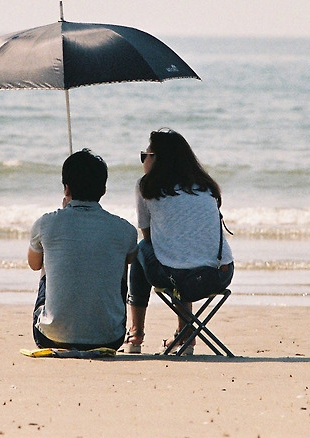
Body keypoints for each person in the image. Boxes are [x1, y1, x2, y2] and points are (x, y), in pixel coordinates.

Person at [125, 129, 233, 355]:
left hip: (179, 280)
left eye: (145, 155)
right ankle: (185, 335)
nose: (143, 160)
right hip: (219, 275)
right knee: (180, 256)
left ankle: (136, 335)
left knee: (142, 249)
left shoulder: (146, 186)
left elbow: (147, 235)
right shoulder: (206, 186)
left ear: (157, 158)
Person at [28, 149, 138, 351]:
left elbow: (34, 264)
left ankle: (62, 320)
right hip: (110, 338)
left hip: (50, 337)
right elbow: (131, 259)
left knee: (48, 255)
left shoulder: (46, 223)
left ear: (66, 189)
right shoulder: (125, 229)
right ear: (103, 190)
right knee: (119, 256)